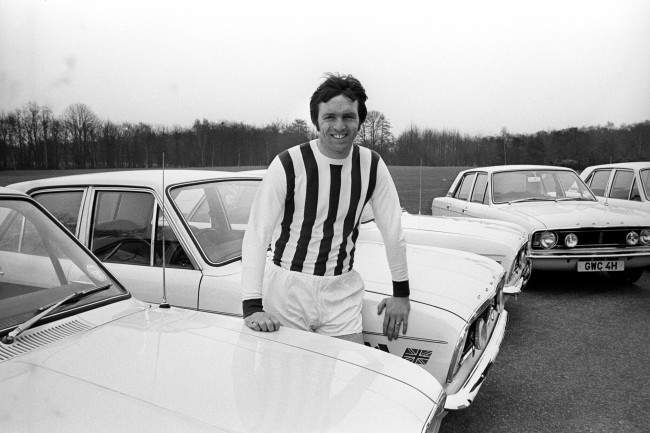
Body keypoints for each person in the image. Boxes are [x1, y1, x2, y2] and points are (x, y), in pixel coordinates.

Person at [241, 73, 410, 343]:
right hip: (287, 291)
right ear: (316, 121)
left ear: (360, 120)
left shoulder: (373, 165)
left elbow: (393, 231)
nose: (339, 126)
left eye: (348, 116)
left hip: (341, 292)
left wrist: (401, 293)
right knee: (289, 381)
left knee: (346, 375)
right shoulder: (288, 163)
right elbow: (257, 233)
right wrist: (251, 306)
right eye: (330, 117)